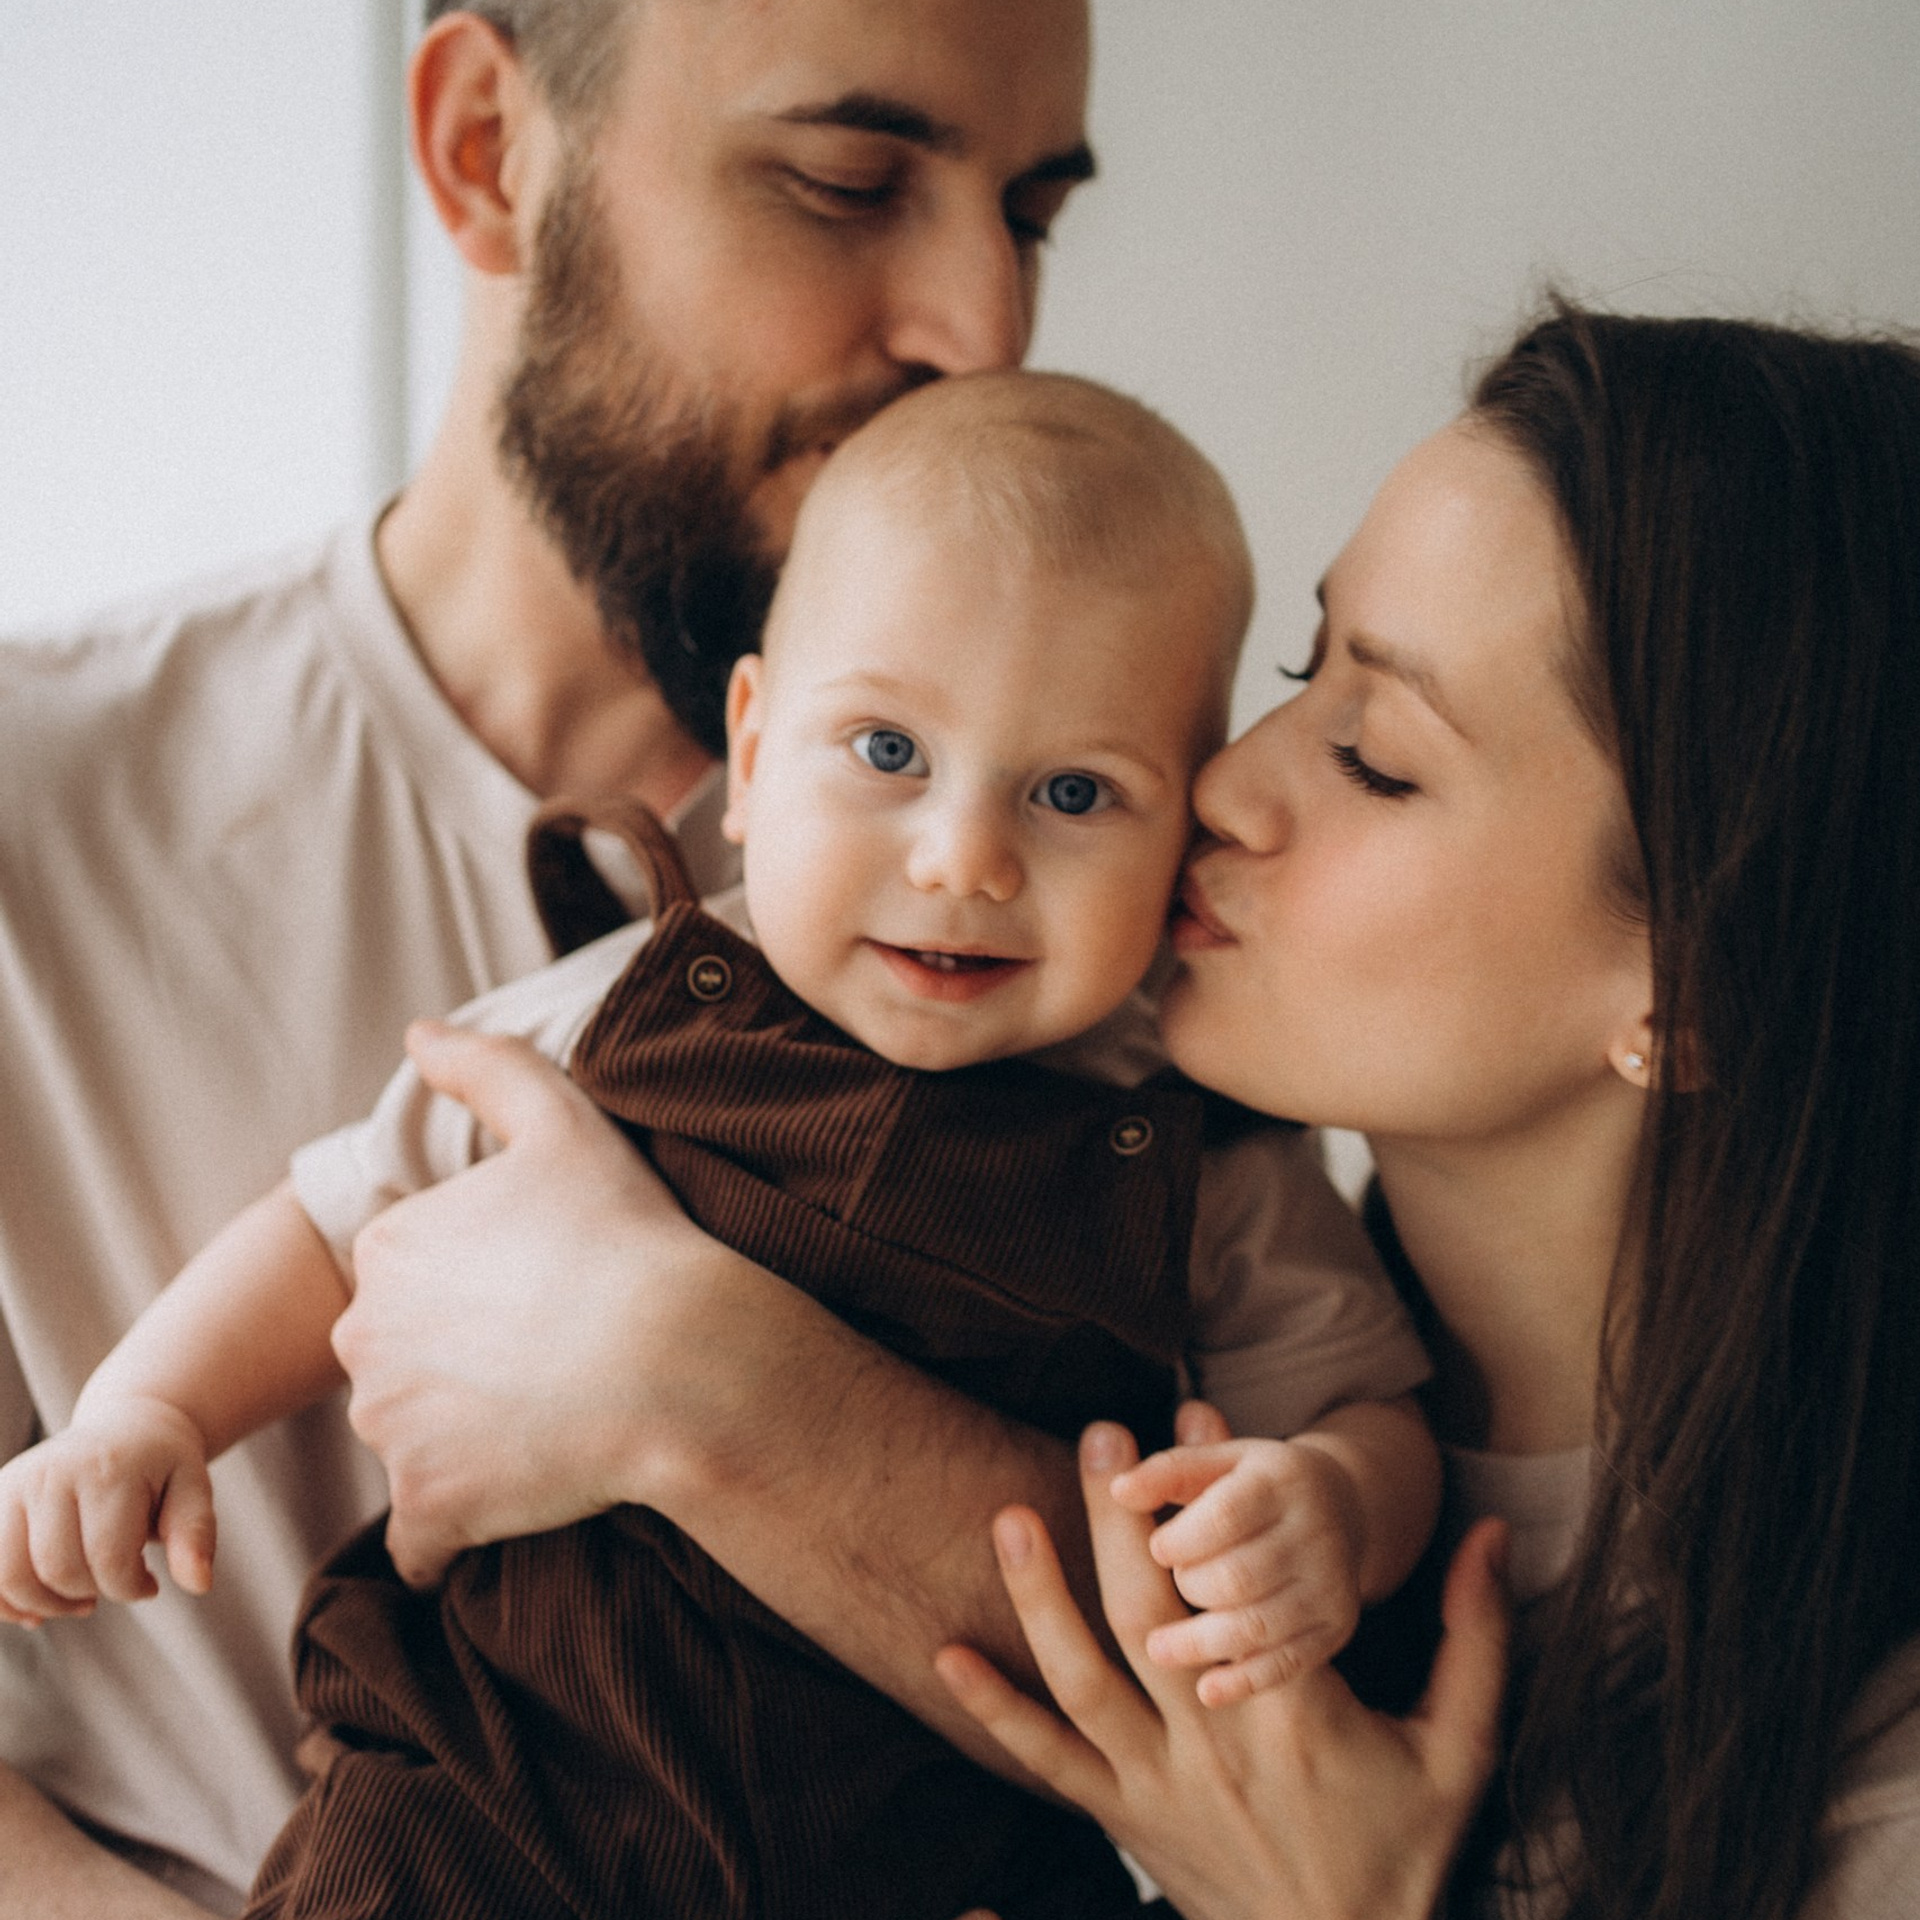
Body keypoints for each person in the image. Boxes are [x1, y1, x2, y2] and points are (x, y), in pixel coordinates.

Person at [1, 371, 1438, 1919]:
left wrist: (1337, 1505)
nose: (964, 858)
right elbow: (338, 1221)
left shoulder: (1202, 1148)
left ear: (1185, 834)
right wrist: (145, 1412)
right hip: (498, 1795)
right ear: (752, 756)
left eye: (1076, 792)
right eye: (886, 751)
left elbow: (1367, 1406)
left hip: (929, 1868)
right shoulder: (627, 1004)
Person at [0, 1, 1128, 1911]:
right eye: (847, 183)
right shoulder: (30, 812)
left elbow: (1273, 1715)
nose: (984, 329)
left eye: (1030, 215)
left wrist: (700, 1379)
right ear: (484, 150)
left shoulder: (1058, 901)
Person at [931, 305, 1920, 1920]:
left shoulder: (1877, 1775)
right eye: (1299, 669)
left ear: (1698, 992)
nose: (1227, 784)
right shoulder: (1154, 1322)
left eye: (1377, 758)